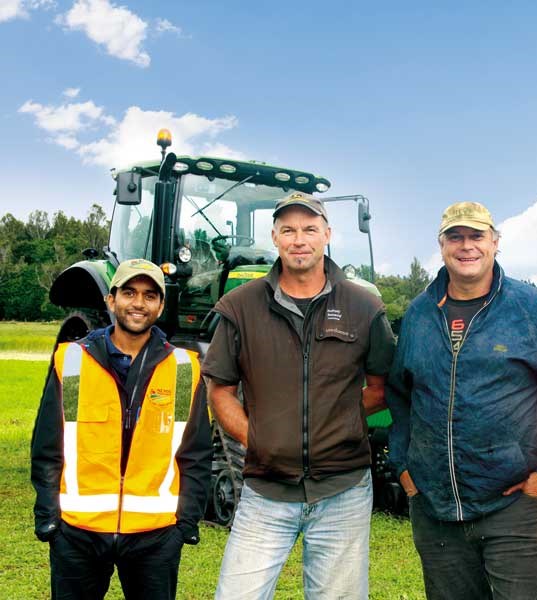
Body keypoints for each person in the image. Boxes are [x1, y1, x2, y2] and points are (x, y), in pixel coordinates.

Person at [386, 201, 537, 600]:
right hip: (435, 508)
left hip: (514, 504)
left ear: (495, 243)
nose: (466, 246)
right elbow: (400, 396)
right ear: (441, 246)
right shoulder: (420, 314)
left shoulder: (531, 309)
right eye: (455, 237)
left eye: (476, 236)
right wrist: (405, 467)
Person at [204, 191, 396, 599]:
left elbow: (380, 389)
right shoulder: (240, 306)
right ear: (274, 237)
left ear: (327, 234)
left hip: (343, 490)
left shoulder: (365, 307)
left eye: (310, 229)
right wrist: (257, 439)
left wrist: (338, 422)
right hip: (265, 491)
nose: (299, 239)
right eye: (288, 230)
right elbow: (220, 389)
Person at [31, 258, 212, 600]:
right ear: (110, 300)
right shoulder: (71, 361)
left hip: (155, 536)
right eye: (129, 292)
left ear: (160, 305)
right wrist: (49, 516)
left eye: (149, 295)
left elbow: (197, 453)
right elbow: (47, 445)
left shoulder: (184, 368)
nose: (138, 303)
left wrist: (185, 523)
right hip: (77, 533)